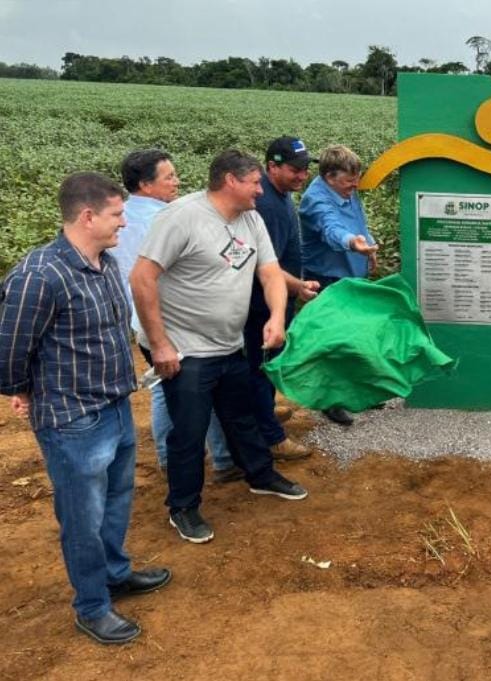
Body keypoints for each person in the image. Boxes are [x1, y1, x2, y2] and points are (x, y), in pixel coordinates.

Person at [0, 173, 171, 645]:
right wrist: (23, 389)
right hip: (73, 420)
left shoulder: (106, 261)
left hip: (115, 405)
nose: (124, 222)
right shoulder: (40, 275)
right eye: (117, 215)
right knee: (82, 517)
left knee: (116, 502)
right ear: (88, 216)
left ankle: (115, 574)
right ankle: (92, 605)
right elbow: (9, 351)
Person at [130, 150, 308, 545]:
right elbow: (142, 278)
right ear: (230, 180)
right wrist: (160, 344)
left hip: (228, 343)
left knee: (240, 416)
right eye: (254, 183)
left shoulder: (251, 219)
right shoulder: (182, 217)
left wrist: (277, 317)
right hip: (186, 349)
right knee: (189, 431)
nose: (261, 191)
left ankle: (260, 476)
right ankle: (183, 507)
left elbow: (269, 272)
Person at [113, 149, 240, 483]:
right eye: (169, 176)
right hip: (167, 324)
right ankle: (176, 464)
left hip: (140, 321)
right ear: (145, 184)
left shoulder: (121, 215)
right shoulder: (165, 219)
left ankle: (223, 459)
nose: (177, 181)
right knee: (169, 391)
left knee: (198, 386)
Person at [247, 137, 321, 460]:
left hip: (275, 298)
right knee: (260, 367)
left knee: (265, 368)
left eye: (305, 169)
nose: (302, 176)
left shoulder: (279, 194)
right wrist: (298, 286)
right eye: (295, 169)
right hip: (263, 304)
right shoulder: (266, 205)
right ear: (272, 166)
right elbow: (266, 266)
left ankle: (266, 410)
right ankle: (272, 437)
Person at [299, 144, 379, 426]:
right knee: (331, 341)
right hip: (327, 279)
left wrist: (367, 245)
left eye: (356, 178)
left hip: (351, 273)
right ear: (330, 177)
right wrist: (352, 242)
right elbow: (332, 228)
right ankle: (330, 400)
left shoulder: (347, 190)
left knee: (354, 334)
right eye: (348, 181)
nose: (355, 185)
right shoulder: (315, 201)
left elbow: (358, 221)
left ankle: (356, 390)